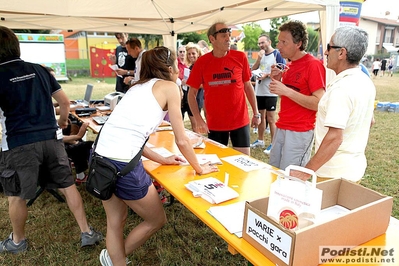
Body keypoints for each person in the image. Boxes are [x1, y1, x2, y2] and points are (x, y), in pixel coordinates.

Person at [95, 46, 218, 265]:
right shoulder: (171, 87)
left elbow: (130, 134)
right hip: (123, 165)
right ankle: (117, 259)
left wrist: (161, 159)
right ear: (170, 67)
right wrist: (199, 168)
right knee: (156, 219)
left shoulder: (137, 87)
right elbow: (181, 140)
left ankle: (114, 258)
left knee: (115, 221)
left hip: (100, 157)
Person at [0, 26, 103, 254]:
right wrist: (62, 124)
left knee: (16, 195)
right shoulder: (40, 70)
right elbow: (65, 103)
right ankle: (86, 232)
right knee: (67, 186)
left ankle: (17, 242)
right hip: (51, 139)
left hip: (18, 144)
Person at [290, 26, 376, 183]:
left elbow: (335, 137)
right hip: (353, 168)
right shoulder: (365, 82)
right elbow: (370, 121)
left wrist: (305, 172)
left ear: (342, 53)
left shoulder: (341, 89)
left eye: (329, 47)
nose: (325, 52)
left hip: (332, 173)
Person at [187, 22, 260, 156]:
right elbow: (191, 94)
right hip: (215, 123)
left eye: (229, 35)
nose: (228, 39)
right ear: (212, 39)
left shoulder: (240, 57)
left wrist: (256, 113)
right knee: (218, 163)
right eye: (224, 36)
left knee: (244, 163)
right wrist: (198, 118)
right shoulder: (202, 62)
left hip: (240, 121)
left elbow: (248, 86)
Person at [268, 20, 326, 170]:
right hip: (282, 127)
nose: (278, 46)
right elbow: (291, 97)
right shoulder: (289, 65)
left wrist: (286, 90)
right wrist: (279, 81)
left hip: (300, 132)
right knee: (274, 172)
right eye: (278, 41)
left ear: (298, 43)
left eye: (284, 42)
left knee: (291, 178)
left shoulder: (313, 65)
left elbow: (319, 102)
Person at [250, 34, 286, 155]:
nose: (261, 45)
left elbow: (283, 70)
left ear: (269, 42)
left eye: (263, 42)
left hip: (271, 91)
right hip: (259, 90)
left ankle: (273, 144)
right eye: (259, 43)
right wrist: (259, 60)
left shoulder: (277, 54)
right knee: (260, 115)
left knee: (271, 118)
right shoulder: (260, 55)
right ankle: (260, 140)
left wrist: (267, 75)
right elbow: (252, 70)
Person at [181, 43, 204, 129]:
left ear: (198, 54)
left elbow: (204, 84)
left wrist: (189, 83)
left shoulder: (201, 66)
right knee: (194, 125)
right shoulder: (191, 67)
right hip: (189, 97)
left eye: (193, 53)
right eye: (189, 54)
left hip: (197, 98)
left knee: (196, 125)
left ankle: (199, 141)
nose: (191, 55)